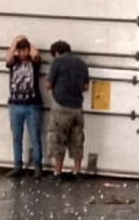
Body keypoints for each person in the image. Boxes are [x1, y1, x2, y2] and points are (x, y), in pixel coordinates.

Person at [46, 40, 90, 181]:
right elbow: (86, 87)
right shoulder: (82, 64)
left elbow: (48, 84)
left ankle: (57, 173)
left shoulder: (57, 62)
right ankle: (77, 172)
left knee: (58, 139)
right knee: (77, 139)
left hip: (61, 107)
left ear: (57, 53)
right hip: (77, 108)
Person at [5, 35, 43, 178]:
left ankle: (38, 167)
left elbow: (36, 54)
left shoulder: (35, 63)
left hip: (32, 105)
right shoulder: (13, 61)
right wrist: (15, 41)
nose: (22, 54)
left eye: (24, 50)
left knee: (35, 136)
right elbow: (8, 57)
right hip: (15, 104)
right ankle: (17, 165)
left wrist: (26, 39)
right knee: (16, 137)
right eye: (19, 51)